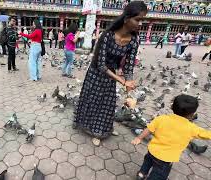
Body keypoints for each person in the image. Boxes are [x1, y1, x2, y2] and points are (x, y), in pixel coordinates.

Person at [74, 1, 147, 146]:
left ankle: (104, 129)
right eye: (138, 19)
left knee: (108, 104)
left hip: (110, 75)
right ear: (127, 19)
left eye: (142, 20)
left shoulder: (133, 41)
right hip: (95, 74)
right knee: (94, 102)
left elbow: (129, 65)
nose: (141, 23)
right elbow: (101, 64)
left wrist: (129, 82)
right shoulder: (107, 35)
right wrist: (122, 81)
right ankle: (93, 131)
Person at [132, 94, 211, 180]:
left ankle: (141, 175)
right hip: (166, 159)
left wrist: (139, 138)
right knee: (158, 175)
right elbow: (206, 134)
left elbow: (149, 129)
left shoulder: (161, 118)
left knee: (146, 163)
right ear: (191, 115)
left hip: (152, 151)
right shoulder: (192, 128)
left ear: (172, 107)